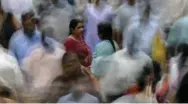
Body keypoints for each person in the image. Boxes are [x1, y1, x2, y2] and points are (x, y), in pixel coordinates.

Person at [21, 26, 65, 102]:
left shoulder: (61, 54)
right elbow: (25, 72)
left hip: (54, 95)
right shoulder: (34, 53)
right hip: (36, 95)